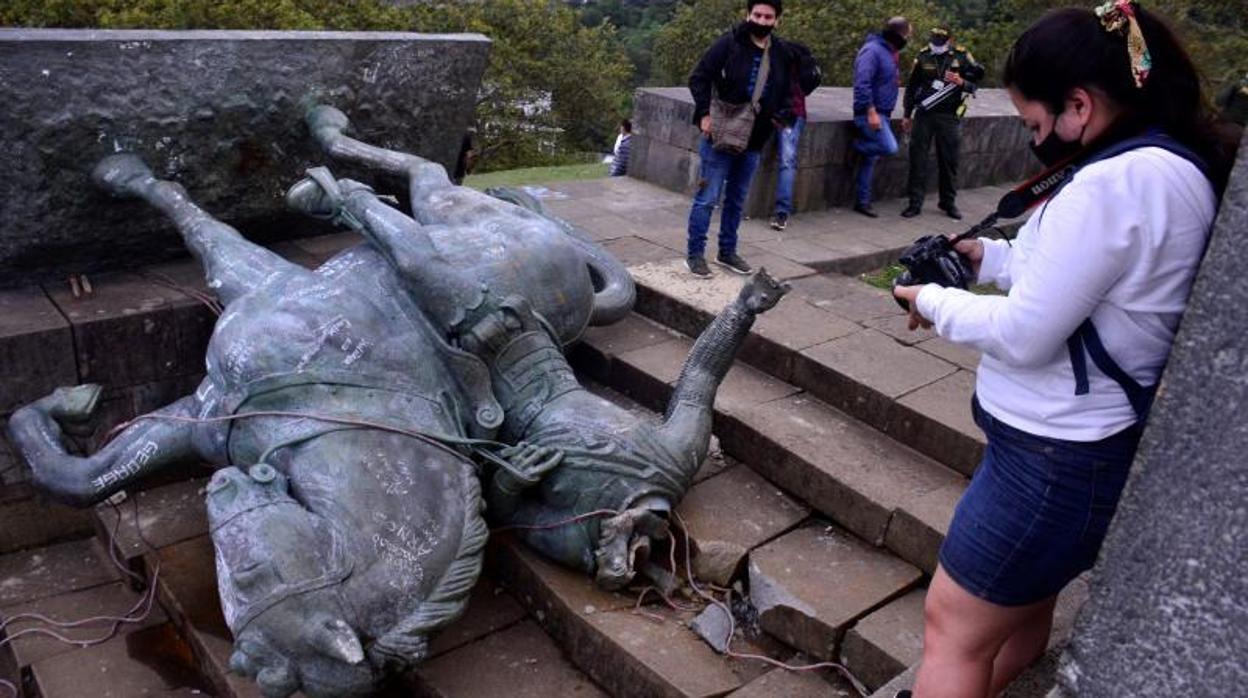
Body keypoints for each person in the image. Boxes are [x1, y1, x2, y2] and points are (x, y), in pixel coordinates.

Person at [891, 3, 1227, 696]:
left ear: (1079, 105)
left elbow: (1025, 332)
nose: (1032, 136)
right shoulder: (1163, 164)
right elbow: (1083, 280)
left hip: (1051, 462)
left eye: (1034, 122)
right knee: (1019, 614)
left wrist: (929, 299)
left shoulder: (1111, 185)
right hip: (1082, 449)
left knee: (951, 629)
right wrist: (985, 257)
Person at [685, 0, 791, 277]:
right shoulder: (729, 43)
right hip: (721, 132)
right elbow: (699, 77)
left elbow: (786, 88)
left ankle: (727, 251)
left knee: (736, 200)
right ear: (747, 15)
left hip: (755, 138)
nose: (762, 21)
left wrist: (780, 115)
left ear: (777, 20)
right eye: (757, 15)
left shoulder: (780, 52)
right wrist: (704, 114)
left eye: (768, 17)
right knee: (707, 198)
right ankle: (695, 254)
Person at [900, 26, 985, 220]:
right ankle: (914, 203)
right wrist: (907, 114)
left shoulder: (962, 57)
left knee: (949, 160)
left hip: (949, 116)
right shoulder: (923, 56)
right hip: (924, 115)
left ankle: (948, 202)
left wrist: (961, 82)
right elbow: (912, 87)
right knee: (918, 160)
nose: (936, 44)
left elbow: (974, 85)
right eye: (934, 40)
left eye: (941, 41)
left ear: (949, 40)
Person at [850, 16, 911, 218]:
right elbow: (862, 83)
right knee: (889, 147)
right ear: (898, 35)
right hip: (871, 114)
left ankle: (862, 201)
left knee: (869, 161)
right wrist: (871, 111)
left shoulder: (889, 52)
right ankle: (857, 146)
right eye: (907, 35)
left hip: (883, 112)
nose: (908, 39)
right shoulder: (873, 51)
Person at [769, 39, 821, 231]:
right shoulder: (801, 60)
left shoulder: (777, 58)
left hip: (780, 113)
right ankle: (781, 213)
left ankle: (780, 211)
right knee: (787, 162)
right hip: (796, 114)